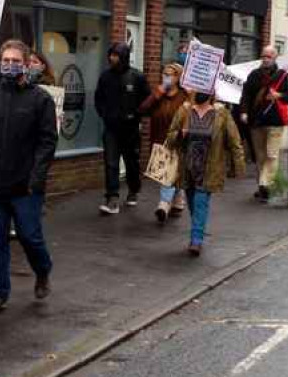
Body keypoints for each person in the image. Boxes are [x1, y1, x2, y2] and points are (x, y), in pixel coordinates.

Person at [0, 40, 58, 313]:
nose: (9, 65)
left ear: (26, 63)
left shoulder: (40, 99)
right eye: (5, 60)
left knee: (29, 236)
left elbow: (47, 142)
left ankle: (42, 270)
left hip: (26, 185)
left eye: (15, 60)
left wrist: (37, 177)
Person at [164, 91, 246, 256]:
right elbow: (169, 139)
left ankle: (196, 241)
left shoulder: (221, 114)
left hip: (209, 168)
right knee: (194, 203)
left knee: (201, 202)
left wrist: (239, 165)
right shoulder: (185, 111)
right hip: (187, 168)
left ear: (211, 94)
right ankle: (198, 229)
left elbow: (234, 140)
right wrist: (181, 133)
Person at [94, 42, 149, 214]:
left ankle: (133, 190)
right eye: (111, 55)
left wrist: (137, 115)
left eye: (116, 55)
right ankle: (112, 198)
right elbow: (98, 98)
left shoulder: (137, 77)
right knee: (111, 163)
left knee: (131, 162)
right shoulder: (105, 77)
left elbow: (146, 101)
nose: (112, 58)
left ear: (124, 57)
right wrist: (104, 114)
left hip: (130, 128)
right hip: (111, 127)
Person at [138, 62, 188, 223]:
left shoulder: (184, 95)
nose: (166, 77)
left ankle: (163, 205)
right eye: (164, 74)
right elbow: (142, 110)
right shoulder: (159, 94)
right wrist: (155, 96)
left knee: (170, 172)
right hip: (160, 140)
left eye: (170, 74)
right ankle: (179, 197)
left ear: (178, 77)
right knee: (172, 172)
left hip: (179, 140)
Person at [240, 46, 288, 202]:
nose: (266, 58)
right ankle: (262, 186)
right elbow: (246, 95)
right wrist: (244, 112)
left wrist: (279, 94)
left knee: (272, 154)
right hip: (257, 121)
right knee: (260, 156)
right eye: (263, 55)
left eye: (269, 56)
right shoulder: (254, 75)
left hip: (275, 122)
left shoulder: (284, 76)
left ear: (275, 58)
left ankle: (265, 184)